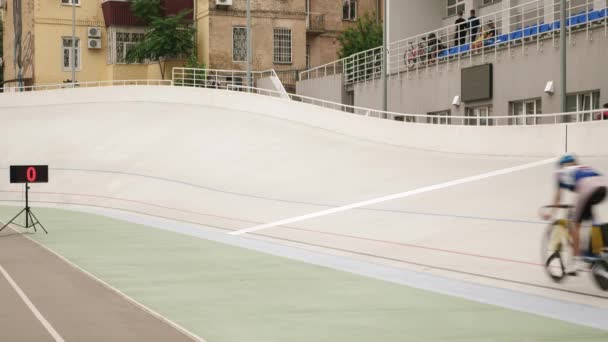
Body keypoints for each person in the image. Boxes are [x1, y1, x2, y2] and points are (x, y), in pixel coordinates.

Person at [543, 154, 607, 272]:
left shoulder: (559, 172)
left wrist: (551, 213)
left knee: (574, 223)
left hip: (587, 188)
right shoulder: (583, 167)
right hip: (602, 187)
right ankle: (598, 246)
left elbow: (558, 198)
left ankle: (576, 262)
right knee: (589, 215)